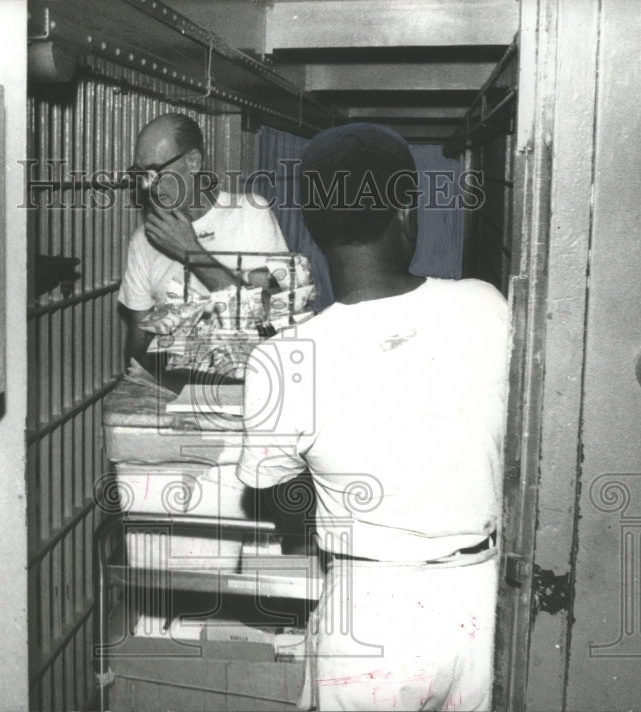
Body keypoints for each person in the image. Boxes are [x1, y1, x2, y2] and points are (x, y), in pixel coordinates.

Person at [237, 123, 509, 711]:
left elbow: (271, 492)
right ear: (406, 211)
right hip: (482, 603)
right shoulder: (486, 307)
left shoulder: (283, 359)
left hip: (368, 612)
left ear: (311, 225)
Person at [118, 113, 289, 371]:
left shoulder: (249, 214)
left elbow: (278, 319)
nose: (146, 186)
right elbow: (138, 346)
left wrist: (192, 253)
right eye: (139, 174)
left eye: (154, 172)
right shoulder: (143, 240)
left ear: (193, 162)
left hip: (249, 386)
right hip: (174, 394)